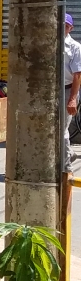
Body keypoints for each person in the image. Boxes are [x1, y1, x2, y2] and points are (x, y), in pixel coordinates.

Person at [64, 13, 81, 169]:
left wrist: (72, 98)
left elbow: (77, 75)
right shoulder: (50, 44)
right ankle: (68, 153)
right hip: (50, 91)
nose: (63, 29)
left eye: (66, 26)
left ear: (71, 28)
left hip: (67, 90)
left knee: (62, 128)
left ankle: (66, 167)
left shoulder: (75, 47)